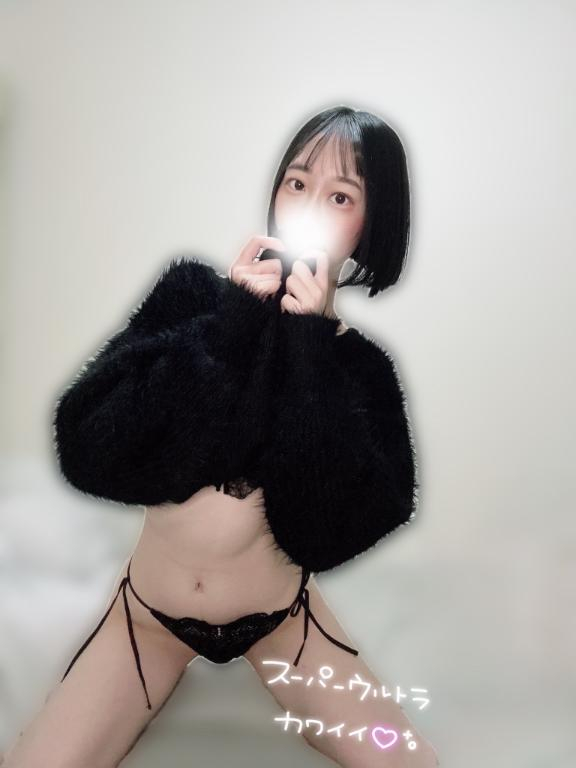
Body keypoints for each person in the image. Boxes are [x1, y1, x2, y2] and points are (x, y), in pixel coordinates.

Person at [3, 105, 438, 768]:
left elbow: (330, 532)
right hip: (147, 618)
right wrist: (229, 327)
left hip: (285, 625)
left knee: (405, 761)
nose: (308, 206)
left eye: (340, 196)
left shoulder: (360, 368)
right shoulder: (190, 297)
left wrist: (310, 348)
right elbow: (87, 448)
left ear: (371, 224)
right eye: (297, 183)